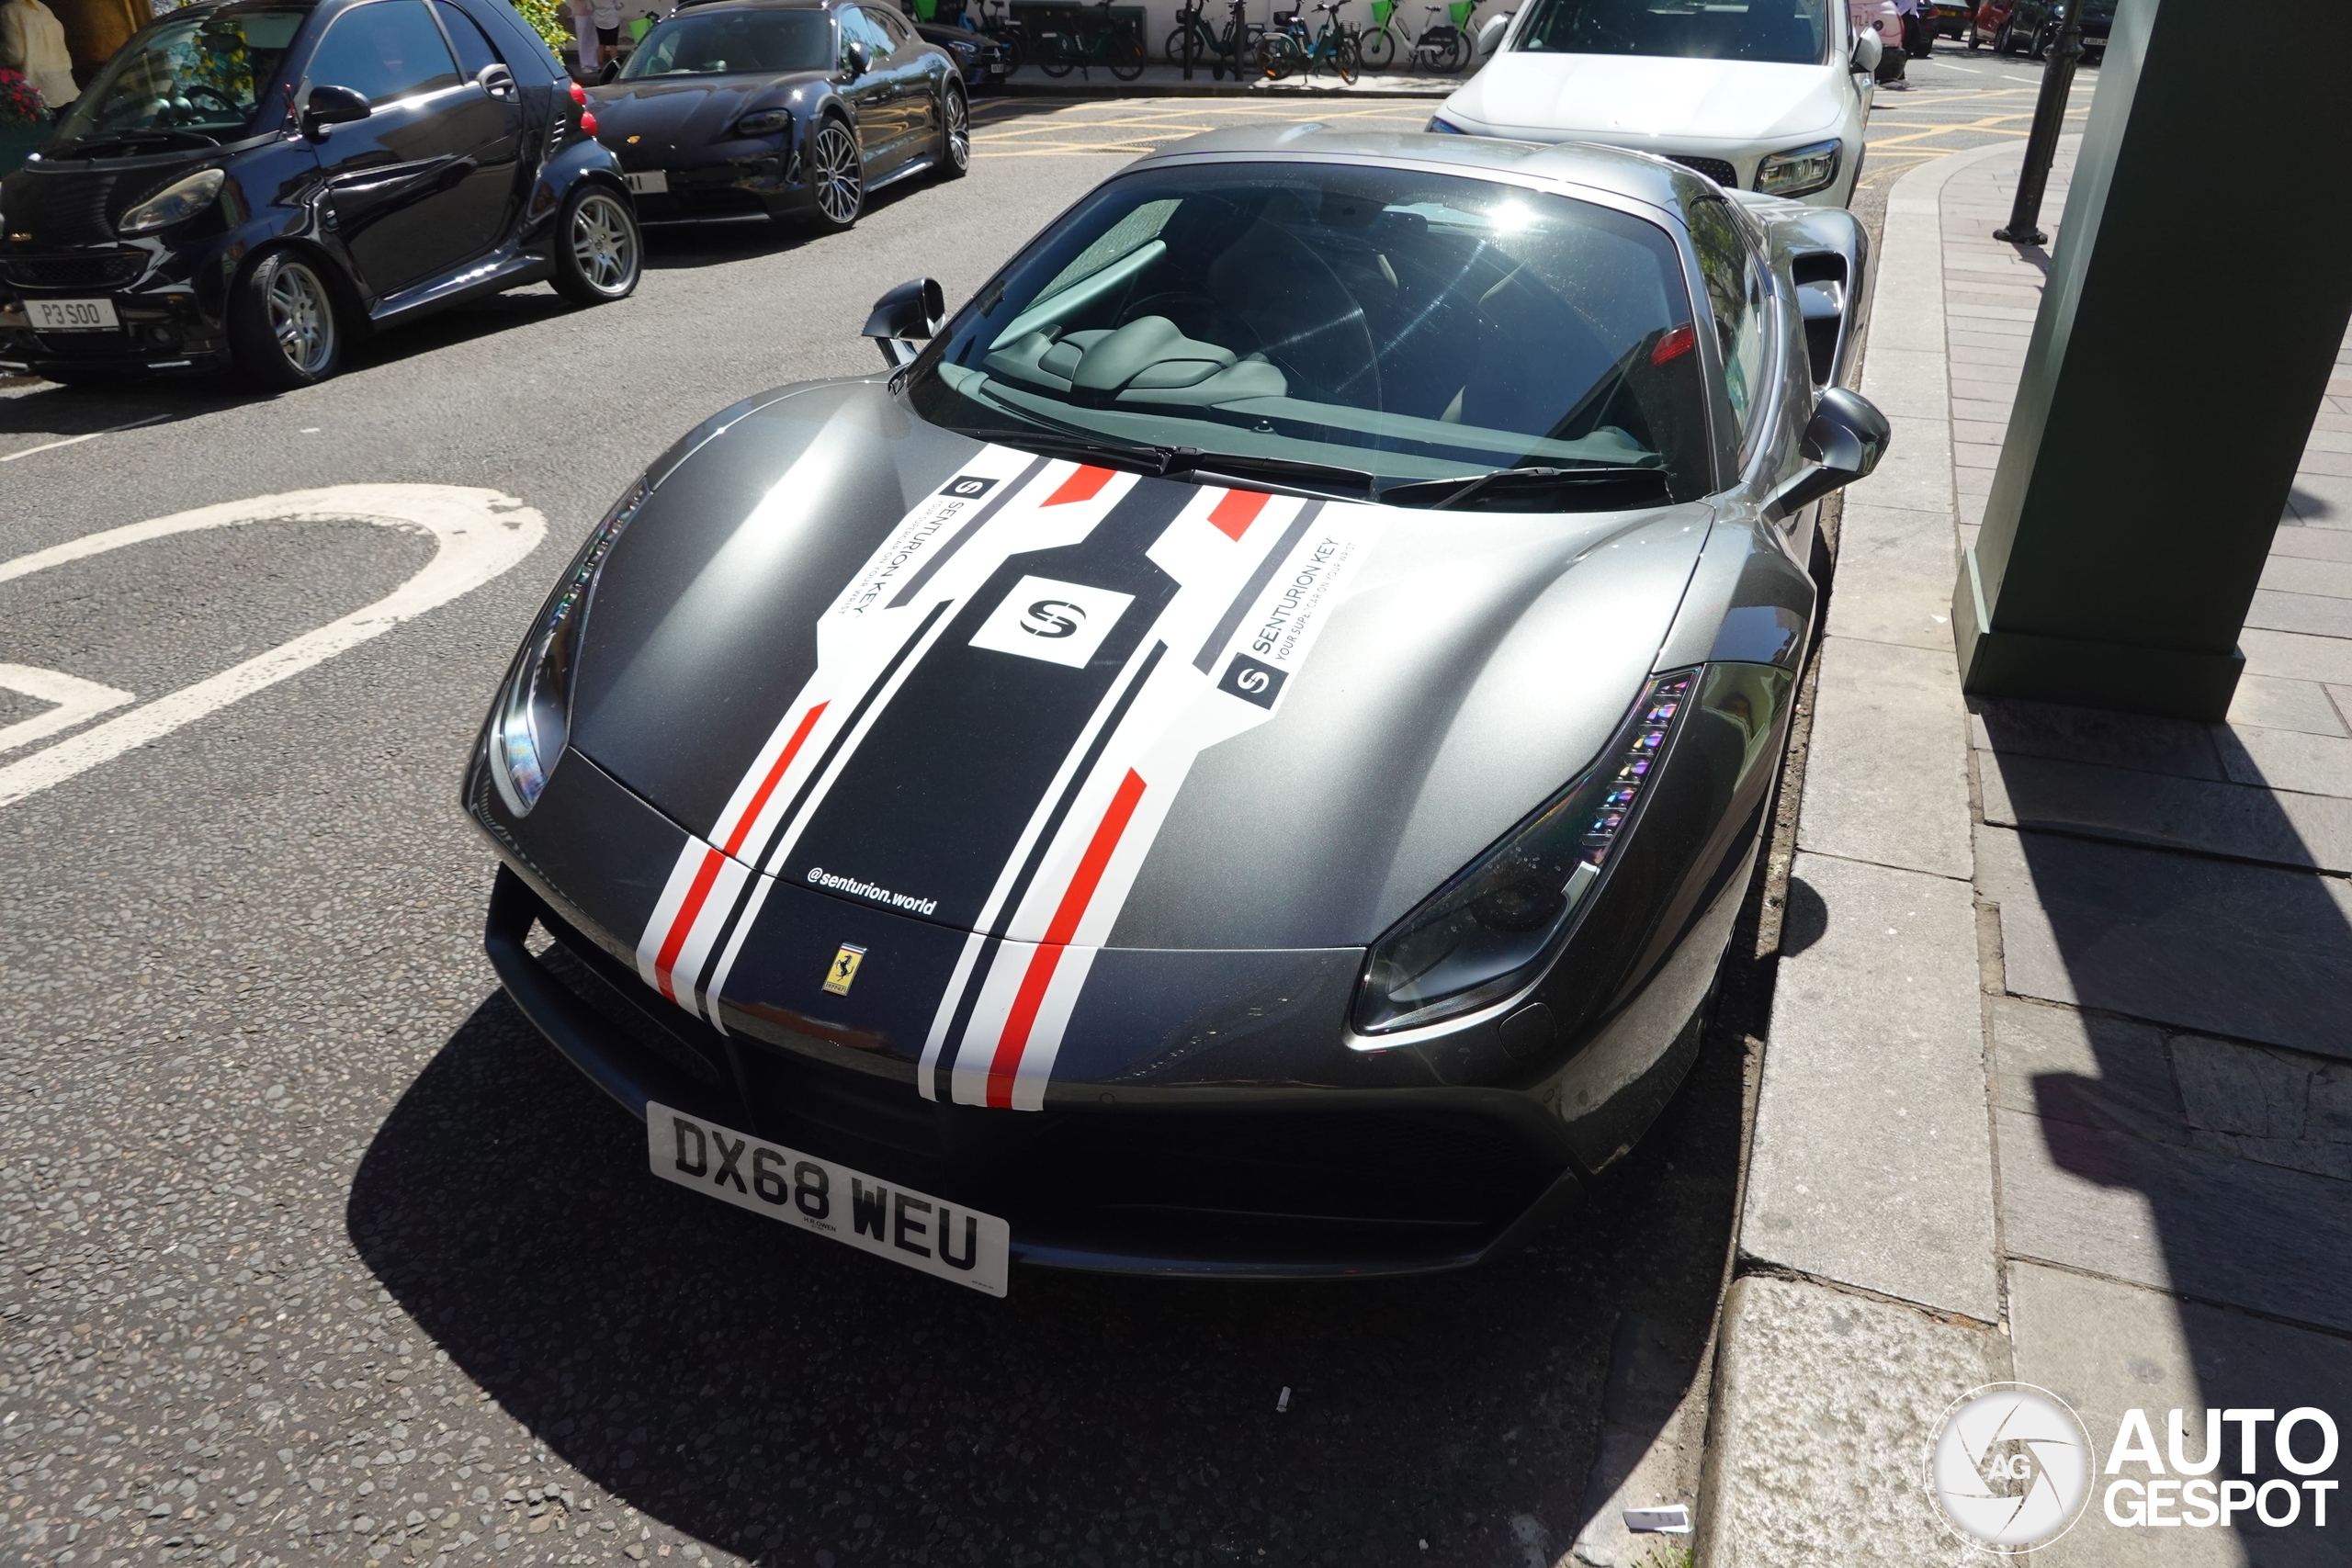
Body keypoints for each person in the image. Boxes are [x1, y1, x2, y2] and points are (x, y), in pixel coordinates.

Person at [0, 0, 80, 115]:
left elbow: (16, 55)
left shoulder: (9, 10)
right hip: (63, 81)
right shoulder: (41, 6)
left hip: (37, 84)